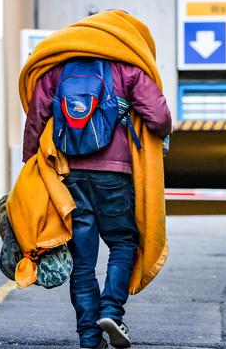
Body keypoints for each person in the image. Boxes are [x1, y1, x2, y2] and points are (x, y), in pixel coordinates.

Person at [23, 59, 172, 349]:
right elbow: (159, 118)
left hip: (70, 175)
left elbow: (36, 117)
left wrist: (31, 165)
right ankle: (111, 311)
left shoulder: (57, 69)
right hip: (115, 174)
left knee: (82, 259)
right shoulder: (127, 69)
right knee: (123, 242)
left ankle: (89, 338)